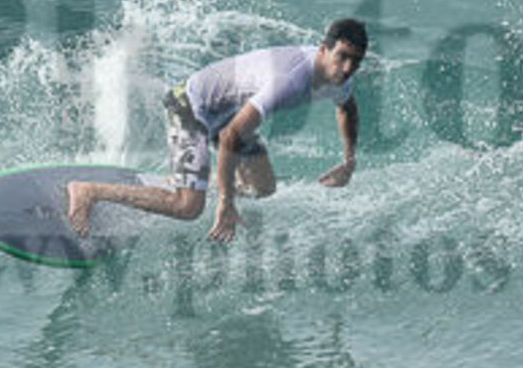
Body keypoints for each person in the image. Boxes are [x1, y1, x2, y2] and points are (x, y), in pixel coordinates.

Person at [66, 19, 367, 244]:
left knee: (262, 187)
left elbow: (347, 107)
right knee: (189, 208)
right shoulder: (288, 81)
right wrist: (226, 202)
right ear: (323, 49)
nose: (347, 67)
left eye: (355, 61)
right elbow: (229, 138)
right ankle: (89, 191)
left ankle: (189, 180)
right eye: (341, 56)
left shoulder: (340, 78)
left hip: (226, 113)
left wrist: (349, 161)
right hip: (189, 105)